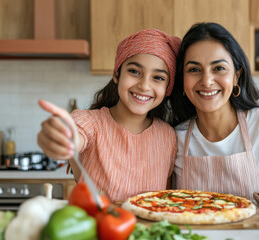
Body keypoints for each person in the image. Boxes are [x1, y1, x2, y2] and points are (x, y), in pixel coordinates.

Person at [170, 22, 259, 213]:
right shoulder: (175, 138)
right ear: (182, 80)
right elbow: (169, 207)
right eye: (194, 69)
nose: (206, 81)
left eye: (218, 68)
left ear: (237, 76)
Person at [37, 29, 181, 201]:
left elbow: (166, 198)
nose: (144, 85)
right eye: (134, 71)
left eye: (158, 78)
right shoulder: (91, 122)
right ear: (116, 74)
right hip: (98, 226)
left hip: (149, 228)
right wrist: (62, 137)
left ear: (167, 89)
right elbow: (74, 135)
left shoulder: (168, 136)